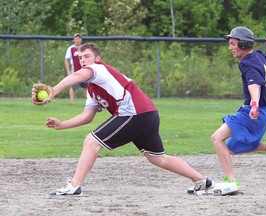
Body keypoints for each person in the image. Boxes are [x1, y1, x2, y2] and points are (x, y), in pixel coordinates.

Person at [46, 42, 214, 195]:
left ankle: (74, 186)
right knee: (157, 158)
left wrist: (53, 90)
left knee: (92, 141)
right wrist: (62, 125)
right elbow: (87, 116)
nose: (83, 60)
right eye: (80, 57)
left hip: (135, 113)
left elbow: (77, 76)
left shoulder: (98, 68)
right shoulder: (93, 88)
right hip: (147, 115)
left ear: (97, 58)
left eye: (87, 56)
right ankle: (201, 181)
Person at [211, 27, 266, 189]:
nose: (230, 47)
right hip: (263, 113)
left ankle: (231, 180)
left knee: (217, 139)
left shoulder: (247, 63)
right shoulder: (259, 57)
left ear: (243, 44)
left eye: (233, 43)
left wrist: (254, 104)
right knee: (231, 148)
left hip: (253, 111)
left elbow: (254, 83)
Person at [64, 33, 88, 104]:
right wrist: (68, 70)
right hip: (75, 71)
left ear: (81, 40)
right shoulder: (71, 49)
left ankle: (88, 102)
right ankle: (72, 103)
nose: (78, 40)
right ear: (73, 40)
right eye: (76, 39)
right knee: (73, 87)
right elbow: (66, 59)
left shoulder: (84, 48)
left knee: (86, 87)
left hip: (84, 70)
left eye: (79, 38)